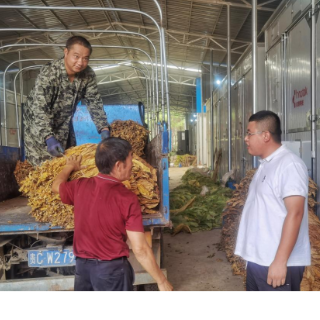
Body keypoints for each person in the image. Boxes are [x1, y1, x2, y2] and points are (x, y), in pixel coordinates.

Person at [52, 137, 173, 293]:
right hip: (112, 273)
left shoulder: (80, 186)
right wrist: (161, 281)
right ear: (118, 165)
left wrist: (69, 167)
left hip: (83, 270)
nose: (132, 165)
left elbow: (55, 186)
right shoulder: (127, 198)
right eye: (131, 159)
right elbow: (140, 249)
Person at [235, 111, 311, 293]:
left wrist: (280, 261)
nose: (246, 138)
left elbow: (296, 213)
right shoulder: (266, 164)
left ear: (266, 135)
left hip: (277, 264)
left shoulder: (289, 165)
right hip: (259, 261)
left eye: (249, 133)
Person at [24, 36, 110, 167]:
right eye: (76, 56)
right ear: (66, 52)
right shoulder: (49, 73)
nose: (80, 62)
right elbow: (39, 109)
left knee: (68, 163)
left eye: (85, 58)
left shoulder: (88, 75)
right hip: (39, 126)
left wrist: (103, 128)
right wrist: (48, 137)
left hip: (64, 124)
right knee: (45, 168)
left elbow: (94, 102)